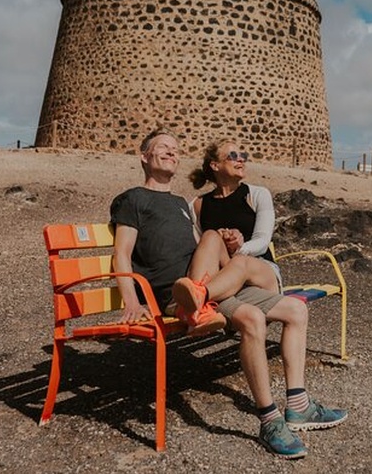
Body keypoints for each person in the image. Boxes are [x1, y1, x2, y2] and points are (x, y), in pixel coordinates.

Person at [110, 128, 347, 459]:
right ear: (144, 157)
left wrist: (226, 252)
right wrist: (132, 300)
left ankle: (299, 405)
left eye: (175, 149)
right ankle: (269, 419)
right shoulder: (132, 199)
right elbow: (122, 253)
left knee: (295, 310)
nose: (171, 152)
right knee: (249, 316)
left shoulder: (181, 204)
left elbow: (202, 250)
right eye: (162, 147)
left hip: (205, 287)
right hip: (171, 295)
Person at [187, 139, 280, 294]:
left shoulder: (257, 195)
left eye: (242, 155)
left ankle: (198, 296)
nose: (241, 159)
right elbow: (200, 248)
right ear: (215, 165)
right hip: (222, 273)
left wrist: (239, 248)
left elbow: (263, 242)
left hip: (259, 268)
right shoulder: (197, 205)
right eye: (233, 155)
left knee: (240, 262)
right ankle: (197, 298)